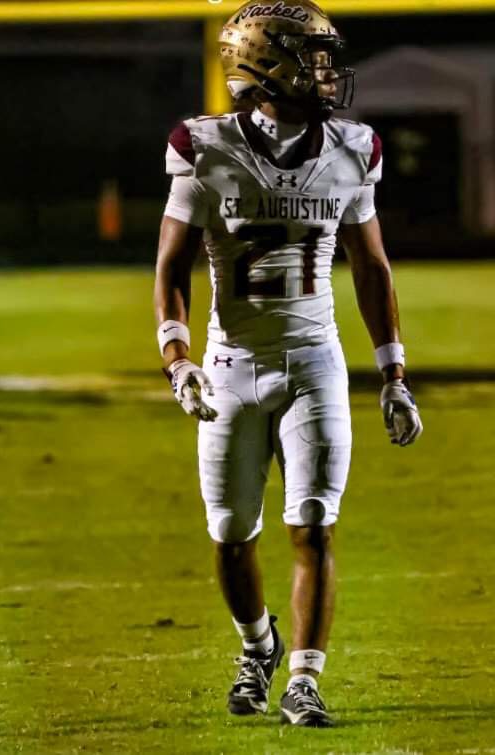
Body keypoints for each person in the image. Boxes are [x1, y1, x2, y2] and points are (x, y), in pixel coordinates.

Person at [153, 0, 423, 728]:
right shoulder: (204, 146)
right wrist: (177, 357)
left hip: (313, 360)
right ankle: (258, 646)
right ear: (265, 66)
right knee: (230, 533)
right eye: (313, 59)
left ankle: (304, 679)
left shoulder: (353, 147)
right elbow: (172, 265)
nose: (328, 73)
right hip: (230, 362)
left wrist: (393, 374)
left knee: (313, 523)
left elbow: (371, 267)